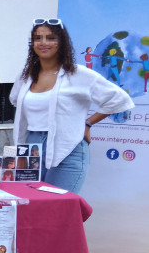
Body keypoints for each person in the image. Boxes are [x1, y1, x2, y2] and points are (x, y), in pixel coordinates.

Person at [10, 18, 134, 193]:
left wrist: (88, 123)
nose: (43, 43)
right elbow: (15, 100)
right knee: (32, 206)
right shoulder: (26, 76)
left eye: (51, 38)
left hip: (67, 149)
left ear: (61, 42)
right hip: (31, 147)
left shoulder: (78, 74)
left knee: (58, 208)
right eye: (38, 38)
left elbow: (119, 99)